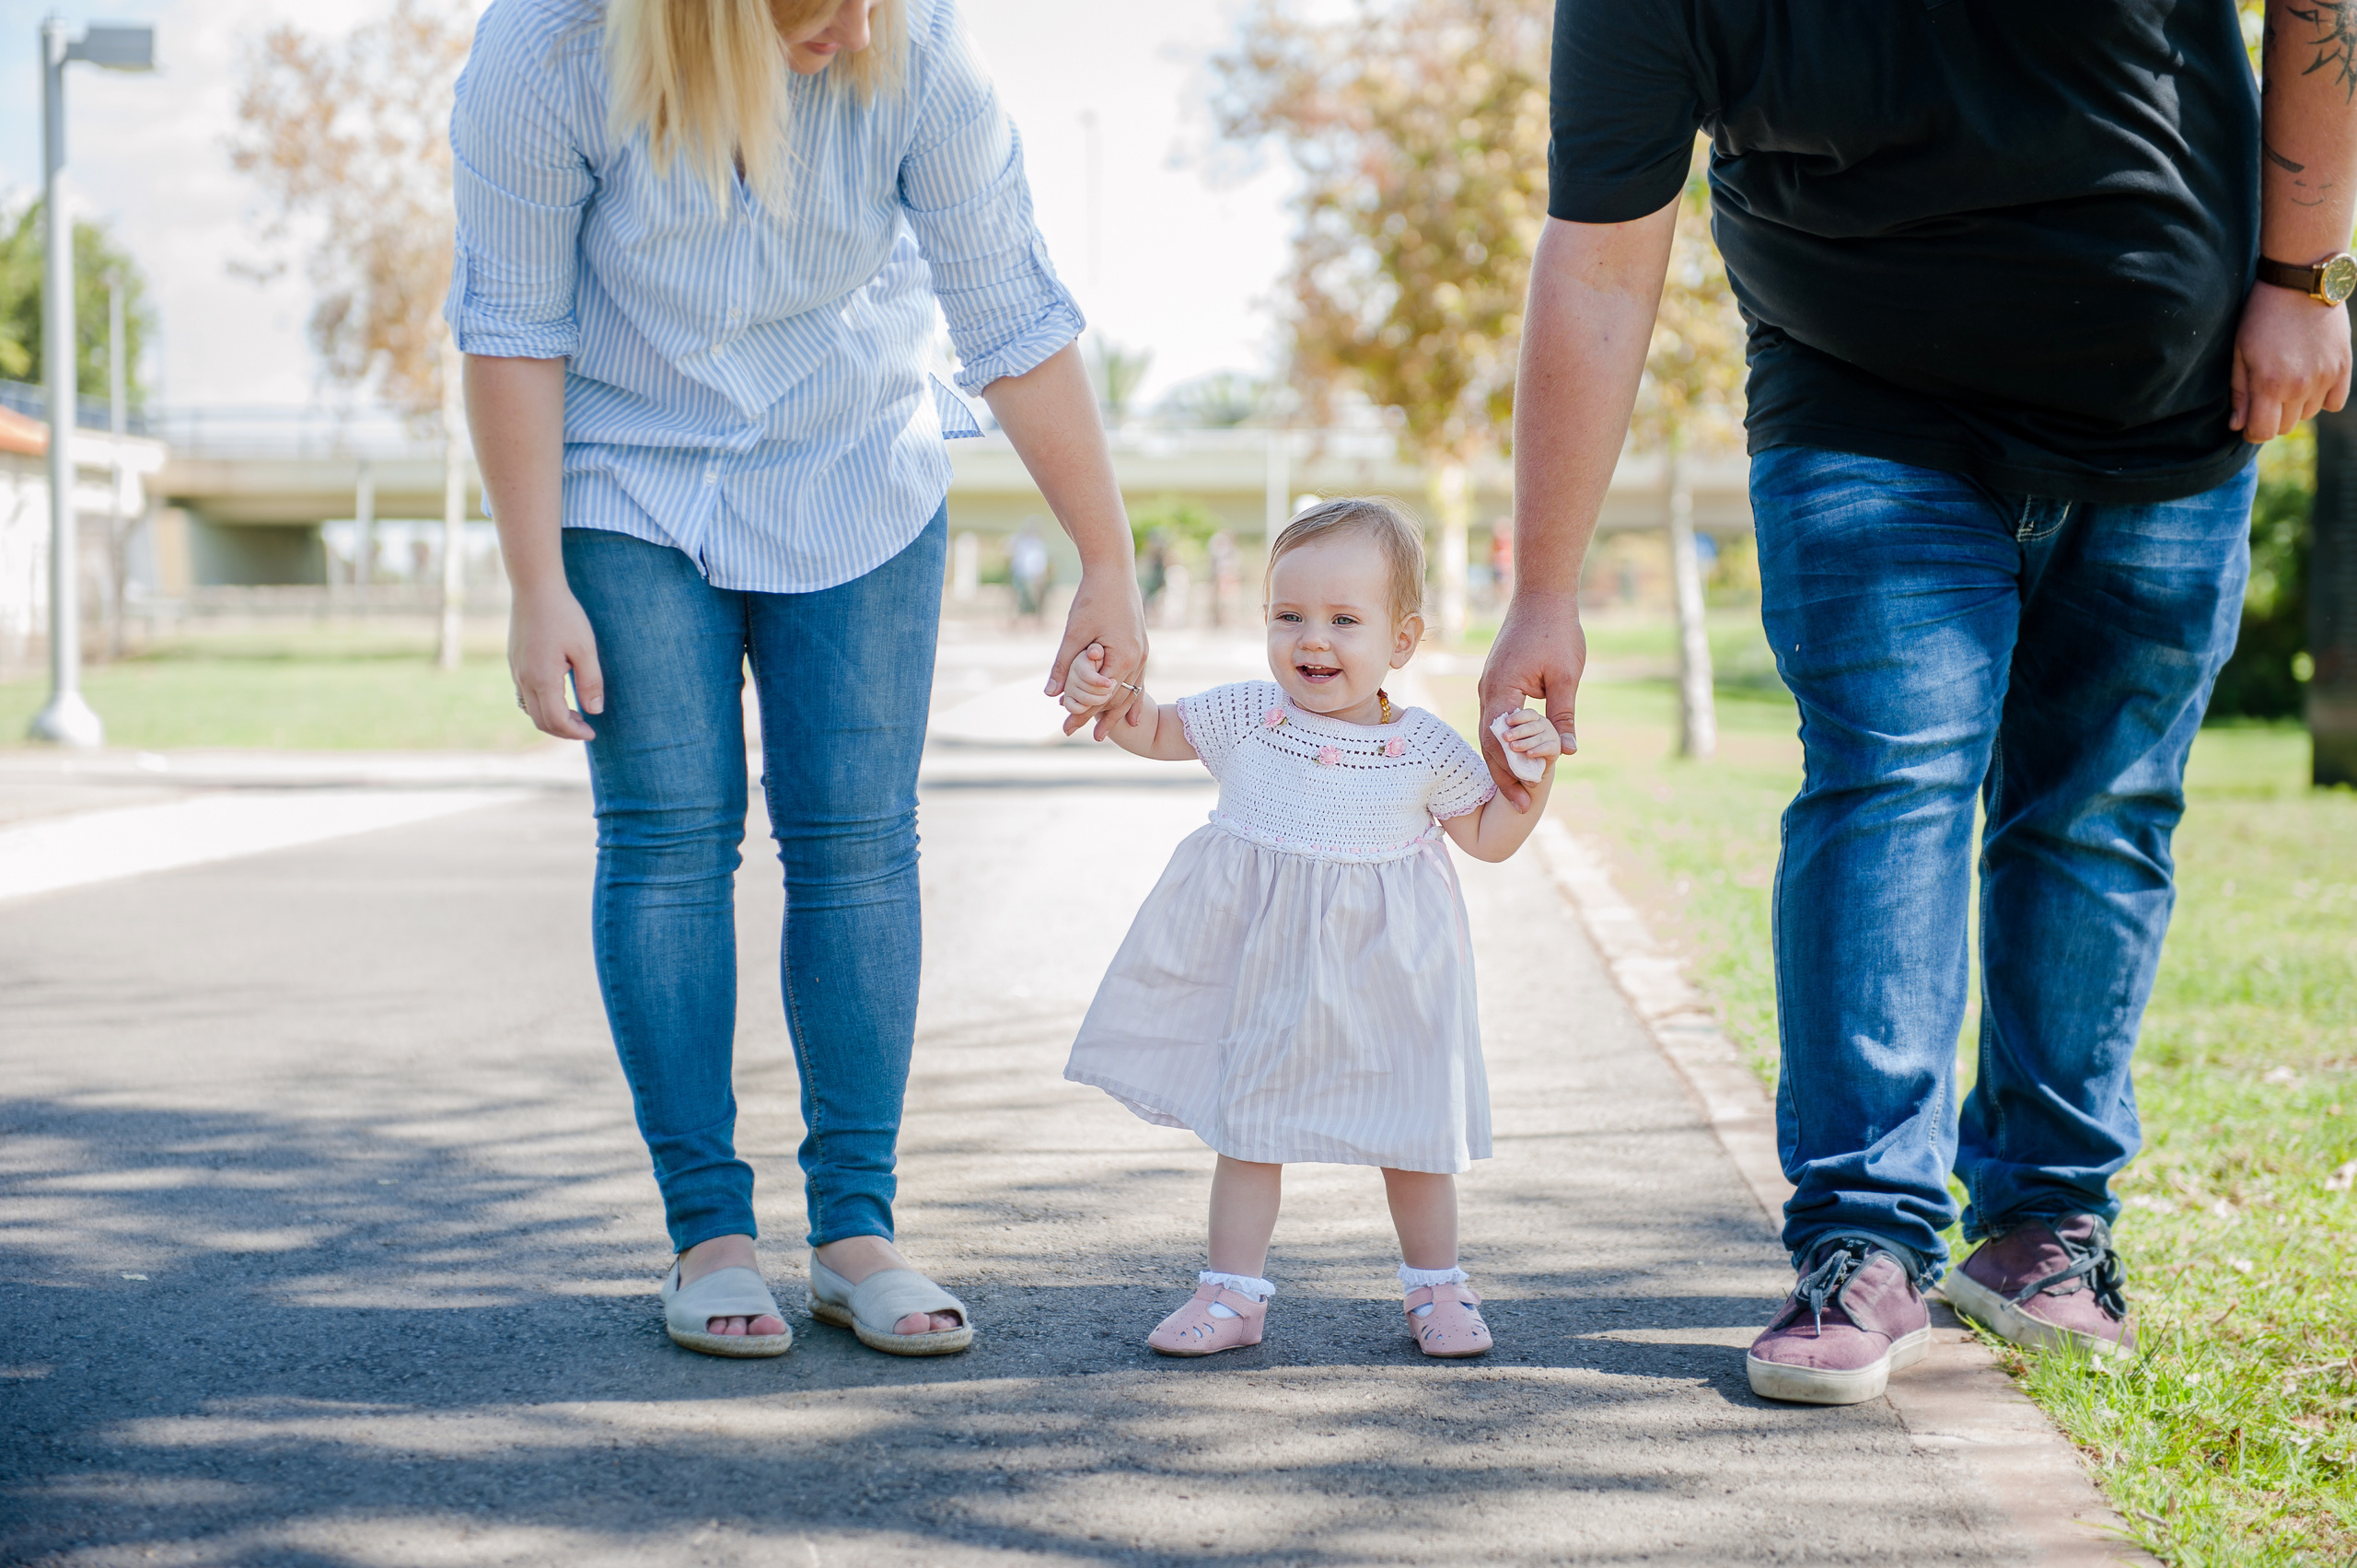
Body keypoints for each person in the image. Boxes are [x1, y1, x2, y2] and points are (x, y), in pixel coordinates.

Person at [1491, 0, 2357, 1404]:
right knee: (1888, 781)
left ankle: (2044, 1229)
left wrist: (2304, 272)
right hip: (1861, 403)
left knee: (2100, 812)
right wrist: (1544, 588)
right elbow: (1597, 266)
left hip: (2171, 401)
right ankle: (1865, 1238)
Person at [451, 0, 1145, 1359]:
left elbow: (1010, 308)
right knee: (666, 836)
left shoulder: (920, 49)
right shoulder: (548, 52)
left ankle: (855, 1229)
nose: (862, 20)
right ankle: (708, 1229)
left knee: (857, 841)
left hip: (854, 460)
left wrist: (1106, 557)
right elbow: (512, 324)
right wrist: (535, 581)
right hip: (627, 470)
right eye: (822, 1)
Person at [1059, 499, 1563, 1358]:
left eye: (1342, 620)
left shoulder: (1423, 750)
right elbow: (1152, 727)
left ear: (1401, 640)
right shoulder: (1252, 717)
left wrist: (1533, 770)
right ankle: (1231, 1292)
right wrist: (1109, 693)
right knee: (1249, 1124)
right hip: (1270, 973)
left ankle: (1437, 1286)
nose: (1312, 641)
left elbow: (1490, 837)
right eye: (1288, 616)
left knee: (1412, 1134)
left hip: (1392, 978)